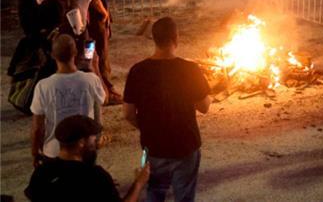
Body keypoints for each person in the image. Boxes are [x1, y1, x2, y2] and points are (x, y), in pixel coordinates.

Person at [123, 17, 211, 202]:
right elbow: (204, 107)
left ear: (154, 39)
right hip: (186, 145)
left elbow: (128, 114)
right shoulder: (190, 69)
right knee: (184, 197)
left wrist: (147, 127)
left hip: (153, 147)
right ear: (176, 38)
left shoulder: (137, 71)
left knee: (154, 193)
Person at [26, 115, 150, 202]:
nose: (96, 143)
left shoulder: (41, 172)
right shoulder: (95, 176)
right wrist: (139, 182)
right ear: (81, 143)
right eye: (93, 139)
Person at [30, 34, 106, 164]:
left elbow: (38, 127)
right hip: (84, 150)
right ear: (75, 53)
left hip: (54, 152)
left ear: (53, 55)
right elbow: (104, 98)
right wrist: (95, 67)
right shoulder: (91, 80)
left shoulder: (43, 86)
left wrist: (35, 152)